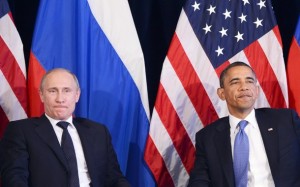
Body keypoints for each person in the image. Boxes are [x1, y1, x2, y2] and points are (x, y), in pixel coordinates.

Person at [0, 68, 130, 187]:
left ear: (77, 95)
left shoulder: (98, 132)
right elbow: (14, 179)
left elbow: (115, 178)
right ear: (41, 95)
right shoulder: (21, 131)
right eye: (52, 91)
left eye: (66, 91)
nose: (60, 99)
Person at [188, 61, 300, 187]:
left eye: (249, 81)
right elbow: (199, 181)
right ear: (222, 94)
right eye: (235, 82)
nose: (244, 87)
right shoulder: (207, 137)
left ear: (256, 91)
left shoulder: (286, 121)